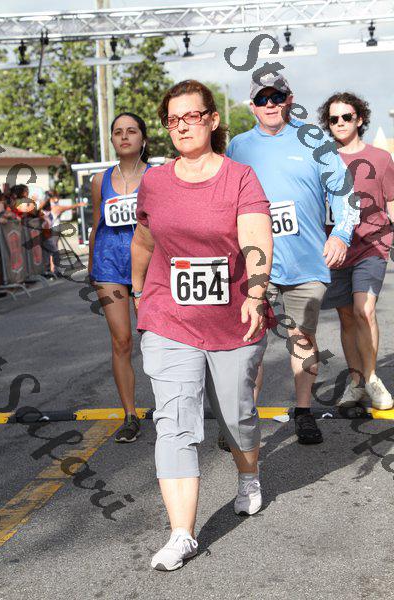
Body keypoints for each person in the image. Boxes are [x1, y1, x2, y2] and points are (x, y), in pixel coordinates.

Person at [131, 79, 275, 571]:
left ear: (212, 120)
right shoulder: (155, 181)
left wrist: (256, 292)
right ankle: (181, 534)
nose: (182, 126)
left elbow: (256, 239)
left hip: (233, 317)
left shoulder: (240, 177)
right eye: (172, 120)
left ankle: (248, 476)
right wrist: (137, 292)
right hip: (168, 317)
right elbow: (144, 240)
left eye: (191, 116)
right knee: (174, 420)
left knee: (236, 414)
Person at [226, 72, 359, 444]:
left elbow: (345, 193)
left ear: (289, 98)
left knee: (302, 338)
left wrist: (341, 234)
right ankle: (243, 418)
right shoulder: (238, 147)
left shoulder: (315, 140)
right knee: (250, 342)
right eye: (262, 98)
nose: (270, 104)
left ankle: (303, 412)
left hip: (305, 262)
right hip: (255, 263)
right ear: (252, 106)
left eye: (277, 96)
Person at [318, 92, 394, 410]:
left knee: (365, 311)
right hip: (336, 250)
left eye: (346, 117)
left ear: (359, 119)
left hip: (372, 246)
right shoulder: (321, 159)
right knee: (347, 317)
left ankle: (373, 378)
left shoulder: (381, 158)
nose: (340, 123)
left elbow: (391, 201)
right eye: (333, 118)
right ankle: (357, 382)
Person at [89, 112, 151, 443]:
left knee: (156, 341)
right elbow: (96, 223)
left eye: (131, 131)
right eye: (118, 132)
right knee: (121, 341)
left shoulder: (158, 177)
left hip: (149, 267)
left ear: (143, 138)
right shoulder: (99, 180)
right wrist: (92, 267)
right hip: (109, 267)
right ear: (112, 139)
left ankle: (172, 409)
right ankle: (130, 415)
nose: (124, 136)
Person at [40, 191, 85, 276]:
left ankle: (50, 269)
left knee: (49, 251)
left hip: (47, 230)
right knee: (54, 250)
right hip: (53, 230)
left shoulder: (43, 209)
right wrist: (78, 205)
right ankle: (54, 269)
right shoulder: (55, 207)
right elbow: (68, 207)